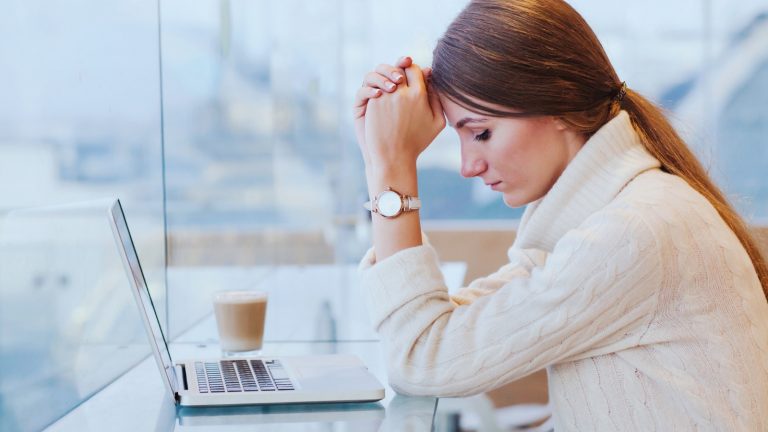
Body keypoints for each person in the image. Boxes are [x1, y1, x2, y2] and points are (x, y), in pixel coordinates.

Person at [352, 0, 768, 430]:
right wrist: (378, 160)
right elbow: (437, 336)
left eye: (481, 133)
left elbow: (423, 358)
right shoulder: (596, 218)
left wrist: (391, 170)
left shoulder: (633, 233)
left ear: (561, 107)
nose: (467, 166)